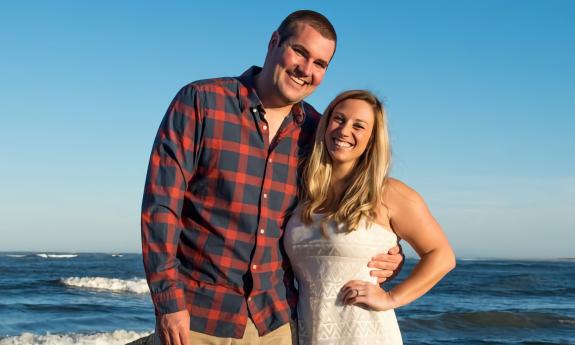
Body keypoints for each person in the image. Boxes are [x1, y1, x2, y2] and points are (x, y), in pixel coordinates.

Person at [140, 10, 404, 345]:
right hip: (197, 318)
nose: (306, 70)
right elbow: (161, 207)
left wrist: (388, 254)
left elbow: (350, 204)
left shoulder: (316, 130)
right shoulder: (202, 102)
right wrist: (168, 303)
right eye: (300, 52)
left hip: (277, 324)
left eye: (320, 64)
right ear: (274, 42)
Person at [284, 90, 456, 345]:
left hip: (366, 335)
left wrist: (390, 298)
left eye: (358, 126)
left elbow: (441, 256)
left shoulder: (389, 193)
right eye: (339, 119)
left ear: (373, 139)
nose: (344, 131)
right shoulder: (305, 194)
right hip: (310, 335)